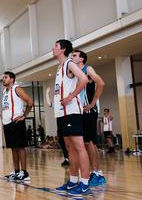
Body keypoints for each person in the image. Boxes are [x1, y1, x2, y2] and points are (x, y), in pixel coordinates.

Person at [52, 39, 91, 196]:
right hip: (61, 113)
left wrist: (71, 96)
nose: (53, 49)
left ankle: (85, 183)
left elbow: (84, 80)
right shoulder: (60, 67)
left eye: (55, 46)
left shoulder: (69, 64)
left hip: (71, 112)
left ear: (63, 49)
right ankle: (73, 180)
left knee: (79, 146)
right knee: (69, 148)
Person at [72, 49, 107, 187]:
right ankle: (94, 172)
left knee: (90, 142)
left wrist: (92, 103)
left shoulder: (88, 69)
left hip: (89, 110)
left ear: (81, 59)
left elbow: (101, 83)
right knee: (85, 143)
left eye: (74, 55)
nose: (72, 57)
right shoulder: (75, 73)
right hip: (80, 111)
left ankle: (98, 173)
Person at [1, 71, 33, 183]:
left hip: (16, 122)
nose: (3, 79)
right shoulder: (5, 91)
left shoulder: (17, 89)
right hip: (7, 123)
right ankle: (16, 171)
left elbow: (30, 102)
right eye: (3, 77)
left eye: (5, 77)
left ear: (12, 79)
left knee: (20, 147)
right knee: (13, 148)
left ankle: (24, 172)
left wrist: (24, 115)